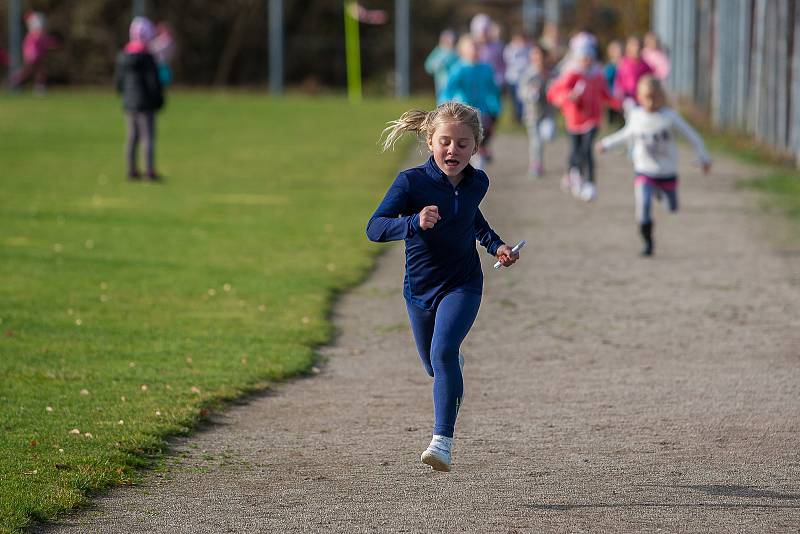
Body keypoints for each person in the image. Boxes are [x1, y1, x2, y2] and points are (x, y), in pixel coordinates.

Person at [366, 102, 520, 472]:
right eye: (446, 142)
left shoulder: (478, 182)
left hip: (463, 283)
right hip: (419, 290)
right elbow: (374, 228)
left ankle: (442, 442)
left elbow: (472, 218)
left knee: (443, 351)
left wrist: (495, 244)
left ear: (477, 145)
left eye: (463, 144)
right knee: (436, 364)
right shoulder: (411, 182)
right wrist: (413, 223)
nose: (453, 150)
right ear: (430, 141)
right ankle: (451, 371)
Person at [596, 76, 711, 256]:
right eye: (646, 97)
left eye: (655, 97)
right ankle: (648, 243)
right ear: (639, 97)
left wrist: (704, 158)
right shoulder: (636, 116)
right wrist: (606, 143)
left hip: (667, 172)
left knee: (671, 208)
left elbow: (692, 137)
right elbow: (626, 135)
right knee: (643, 207)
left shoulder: (670, 117)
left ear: (662, 97)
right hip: (644, 170)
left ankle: (662, 194)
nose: (650, 101)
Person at [547, 45, 619, 201]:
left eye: (589, 57)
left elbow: (606, 94)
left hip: (593, 119)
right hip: (573, 119)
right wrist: (569, 96)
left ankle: (590, 183)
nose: (586, 61)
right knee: (575, 150)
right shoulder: (571, 74)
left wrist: (620, 103)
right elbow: (554, 93)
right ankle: (574, 174)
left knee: (587, 149)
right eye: (583, 58)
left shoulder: (598, 75)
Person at [115, 16, 164, 181]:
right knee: (147, 138)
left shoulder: (123, 56)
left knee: (132, 137)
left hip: (130, 104)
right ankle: (149, 171)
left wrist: (125, 96)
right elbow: (153, 83)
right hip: (145, 104)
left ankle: (131, 170)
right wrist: (158, 100)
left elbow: (119, 82)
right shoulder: (148, 58)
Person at [443, 36, 501, 169]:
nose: (475, 50)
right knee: (467, 142)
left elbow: (493, 90)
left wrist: (495, 107)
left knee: (479, 139)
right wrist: (445, 106)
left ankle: (480, 159)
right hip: (462, 111)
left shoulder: (486, 69)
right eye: (471, 47)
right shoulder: (458, 69)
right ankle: (476, 156)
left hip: (483, 111)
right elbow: (447, 90)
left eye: (477, 47)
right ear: (462, 50)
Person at [517, 44, 555, 177]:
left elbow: (557, 88)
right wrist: (531, 93)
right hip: (532, 114)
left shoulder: (551, 73)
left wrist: (552, 90)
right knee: (535, 140)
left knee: (548, 134)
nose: (537, 59)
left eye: (540, 56)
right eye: (534, 56)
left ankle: (538, 163)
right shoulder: (528, 74)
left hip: (547, 112)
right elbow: (521, 93)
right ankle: (536, 165)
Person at [10, 11, 58, 94]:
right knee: (29, 70)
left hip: (38, 55)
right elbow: (30, 47)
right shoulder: (32, 37)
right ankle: (14, 81)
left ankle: (39, 87)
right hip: (32, 56)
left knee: (40, 70)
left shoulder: (41, 36)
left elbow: (47, 43)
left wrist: (52, 44)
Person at [614, 35, 653, 107]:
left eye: (638, 46)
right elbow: (618, 81)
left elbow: (650, 80)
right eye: (634, 46)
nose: (636, 48)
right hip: (627, 98)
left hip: (641, 98)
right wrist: (619, 93)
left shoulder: (645, 66)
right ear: (628, 48)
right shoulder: (624, 64)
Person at [424, 29, 459, 105]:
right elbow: (429, 66)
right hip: (441, 82)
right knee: (442, 101)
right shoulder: (438, 51)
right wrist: (439, 63)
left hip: (455, 82)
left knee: (455, 102)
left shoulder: (456, 52)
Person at [503, 32, 532, 123]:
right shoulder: (510, 49)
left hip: (525, 79)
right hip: (513, 78)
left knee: (523, 98)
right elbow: (510, 61)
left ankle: (523, 116)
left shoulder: (528, 48)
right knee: (515, 100)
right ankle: (516, 117)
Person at [604, 40, 624, 126]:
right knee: (613, 122)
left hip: (624, 98)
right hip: (612, 98)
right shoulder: (609, 67)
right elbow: (605, 80)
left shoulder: (626, 64)